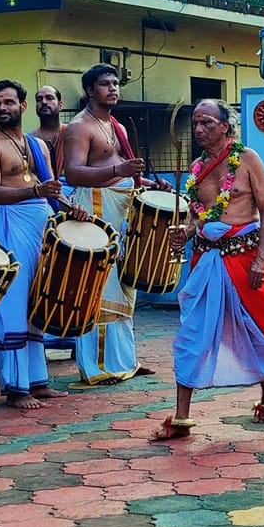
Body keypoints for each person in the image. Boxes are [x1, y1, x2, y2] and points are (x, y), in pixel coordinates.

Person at [152, 100, 264, 441]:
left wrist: (260, 259)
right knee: (191, 332)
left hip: (244, 257)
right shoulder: (196, 168)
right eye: (195, 124)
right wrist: (186, 232)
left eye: (206, 123)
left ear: (226, 126)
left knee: (255, 328)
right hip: (207, 259)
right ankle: (181, 418)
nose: (198, 130)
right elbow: (198, 216)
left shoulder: (248, 159)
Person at [0, 80, 88, 409]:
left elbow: (50, 190)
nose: (2, 109)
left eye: (8, 102)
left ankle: (37, 382)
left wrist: (70, 207)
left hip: (40, 224)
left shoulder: (36, 145)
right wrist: (34, 193)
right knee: (13, 306)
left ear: (22, 106)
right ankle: (15, 388)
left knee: (36, 302)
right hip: (11, 225)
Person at [60, 64, 158, 385]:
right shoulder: (78, 128)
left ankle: (124, 359)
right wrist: (119, 171)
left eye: (116, 83)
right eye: (105, 84)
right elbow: (73, 173)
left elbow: (123, 170)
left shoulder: (118, 126)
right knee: (99, 286)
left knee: (123, 282)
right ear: (90, 90)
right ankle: (98, 366)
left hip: (121, 210)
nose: (113, 89)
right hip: (96, 210)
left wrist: (146, 185)